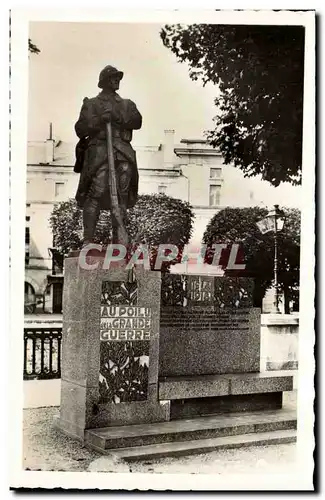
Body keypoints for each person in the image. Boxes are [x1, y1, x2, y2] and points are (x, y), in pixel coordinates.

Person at [74, 65, 142, 246]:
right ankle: (88, 240)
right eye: (113, 78)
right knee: (95, 193)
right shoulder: (92, 104)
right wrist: (99, 120)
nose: (117, 80)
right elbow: (80, 129)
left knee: (121, 196)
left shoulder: (127, 104)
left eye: (118, 78)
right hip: (100, 153)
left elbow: (137, 121)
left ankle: (118, 241)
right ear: (104, 81)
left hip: (123, 153)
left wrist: (117, 117)